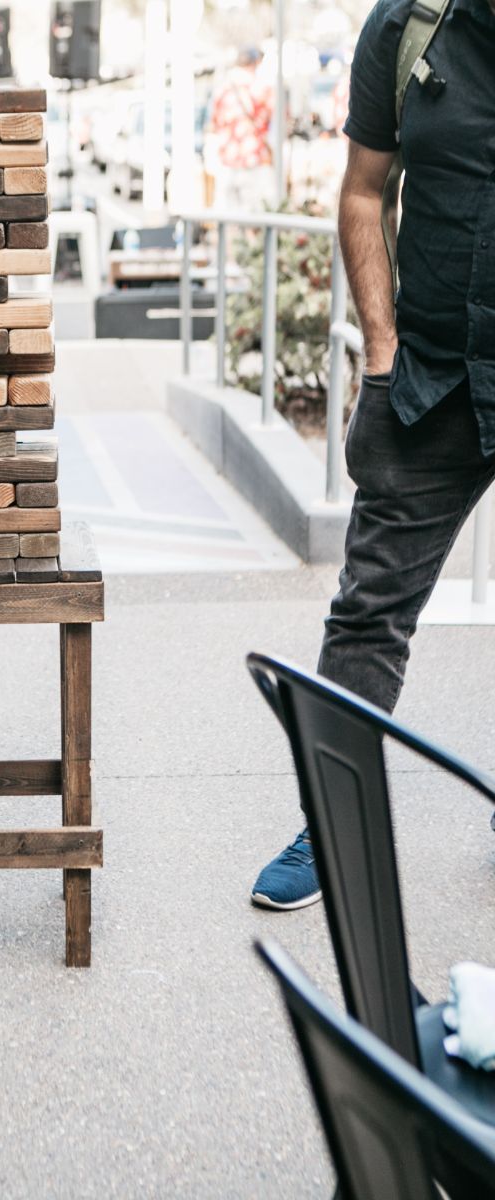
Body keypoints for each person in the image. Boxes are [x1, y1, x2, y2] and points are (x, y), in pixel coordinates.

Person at [252, 0, 495, 910]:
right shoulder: (409, 28)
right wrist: (383, 353)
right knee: (369, 612)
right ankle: (336, 822)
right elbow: (363, 189)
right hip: (429, 378)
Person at [207, 47, 274, 210]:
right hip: (252, 161)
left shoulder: (221, 90)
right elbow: (272, 122)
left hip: (227, 162)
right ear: (255, 64)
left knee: (227, 219)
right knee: (253, 219)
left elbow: (213, 124)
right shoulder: (261, 89)